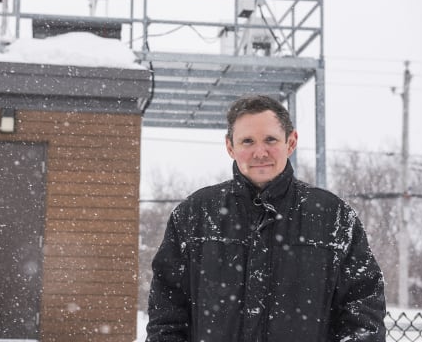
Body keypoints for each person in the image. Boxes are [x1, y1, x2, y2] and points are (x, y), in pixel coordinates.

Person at [146, 95, 386, 342]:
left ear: (291, 142)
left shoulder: (333, 217)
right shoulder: (194, 215)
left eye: (270, 139)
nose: (260, 152)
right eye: (247, 141)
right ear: (230, 147)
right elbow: (166, 316)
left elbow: (364, 316)